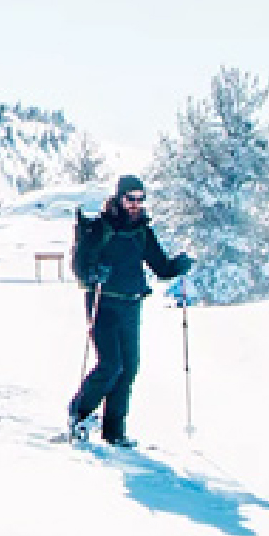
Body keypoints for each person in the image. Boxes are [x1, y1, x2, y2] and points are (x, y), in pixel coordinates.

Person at [68, 174, 193, 447]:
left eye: (140, 199)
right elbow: (80, 266)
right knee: (111, 365)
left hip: (131, 303)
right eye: (130, 198)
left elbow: (160, 267)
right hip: (103, 302)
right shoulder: (100, 228)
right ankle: (79, 414)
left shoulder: (142, 231)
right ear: (119, 198)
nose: (136, 204)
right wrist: (92, 273)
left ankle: (114, 430)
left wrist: (178, 266)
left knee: (129, 368)